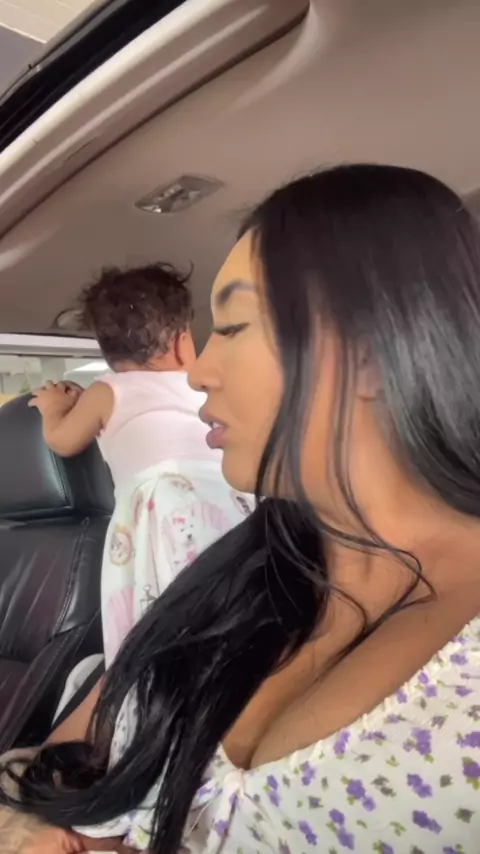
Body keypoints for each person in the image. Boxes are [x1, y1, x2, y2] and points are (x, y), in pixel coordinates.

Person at [3, 163, 480, 854]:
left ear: (372, 349)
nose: (198, 371)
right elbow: (78, 759)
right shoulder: (231, 575)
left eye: (231, 325)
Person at [28, 264, 252, 666]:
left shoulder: (106, 390)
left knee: (155, 618)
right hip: (227, 502)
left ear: (108, 352)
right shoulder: (204, 388)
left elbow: (62, 440)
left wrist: (53, 407)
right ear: (183, 344)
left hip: (156, 512)